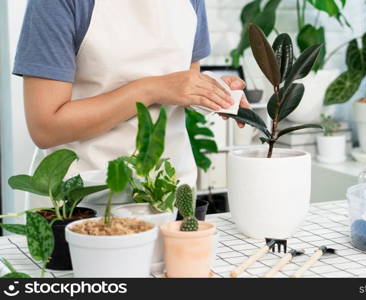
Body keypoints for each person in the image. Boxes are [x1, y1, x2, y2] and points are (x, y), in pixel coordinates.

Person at [13, 0, 249, 208]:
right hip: (81, 204)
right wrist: (151, 90)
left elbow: (179, 81)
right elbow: (46, 127)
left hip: (167, 196)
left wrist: (210, 91)